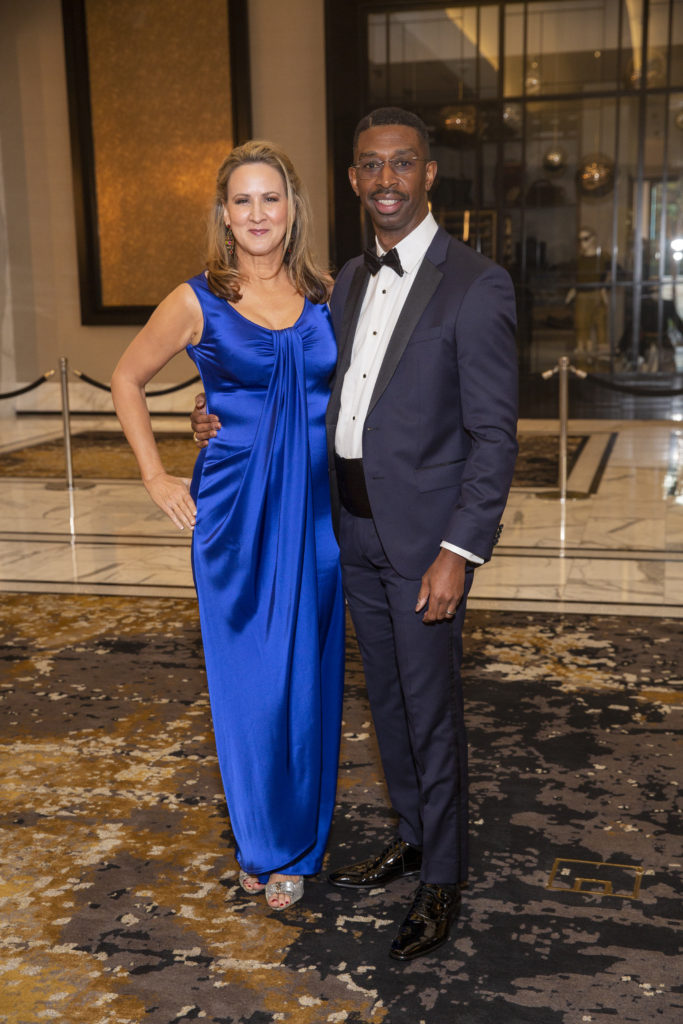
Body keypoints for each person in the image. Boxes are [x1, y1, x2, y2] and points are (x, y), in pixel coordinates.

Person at [193, 107, 518, 960]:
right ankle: (412, 835)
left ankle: (441, 878)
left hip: (424, 547)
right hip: (345, 536)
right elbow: (294, 384)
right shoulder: (340, 280)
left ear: (429, 174)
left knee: (432, 711)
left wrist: (459, 550)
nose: (386, 181)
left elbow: (493, 437)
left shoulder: (475, 285)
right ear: (350, 180)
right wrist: (213, 417)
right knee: (388, 705)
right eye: (370, 167)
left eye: (402, 165)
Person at [111, 140, 345, 912]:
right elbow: (126, 376)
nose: (256, 214)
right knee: (250, 688)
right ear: (223, 214)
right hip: (236, 517)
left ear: (292, 208)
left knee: (307, 682)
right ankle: (263, 842)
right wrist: (155, 473)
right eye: (241, 201)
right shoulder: (196, 299)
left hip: (316, 519)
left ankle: (301, 842)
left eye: (269, 199)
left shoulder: (327, 294)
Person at [565, 226, 610, 362]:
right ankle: (583, 358)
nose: (582, 242)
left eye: (585, 239)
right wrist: (572, 292)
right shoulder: (579, 260)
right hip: (582, 295)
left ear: (593, 239)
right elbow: (576, 279)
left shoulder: (603, 257)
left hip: (597, 294)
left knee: (601, 325)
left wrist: (604, 289)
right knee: (582, 326)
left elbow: (612, 274)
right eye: (580, 239)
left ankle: (601, 359)